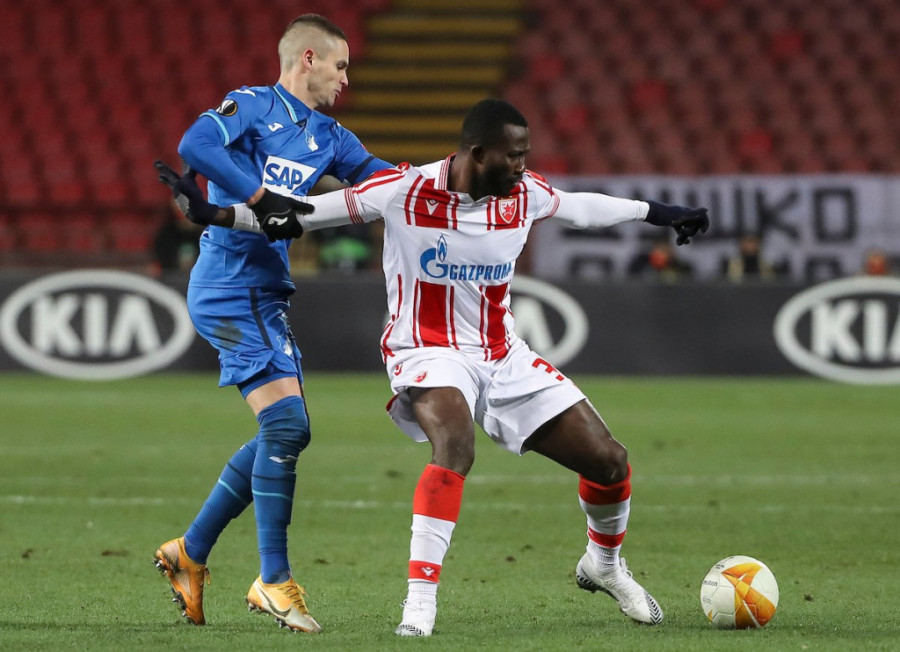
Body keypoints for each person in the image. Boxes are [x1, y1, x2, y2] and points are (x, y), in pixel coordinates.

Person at [159, 98, 709, 636]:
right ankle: (419, 604)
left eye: (525, 155)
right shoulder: (404, 190)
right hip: (425, 349)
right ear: (477, 153)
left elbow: (582, 207)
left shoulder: (524, 195)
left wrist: (658, 213)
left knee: (610, 462)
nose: (522, 166)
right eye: (513, 155)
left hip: (501, 353)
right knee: (455, 444)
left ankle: (604, 565)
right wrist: (217, 215)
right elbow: (304, 216)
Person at [151, 14, 393, 633]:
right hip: (227, 286)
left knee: (286, 431)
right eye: (340, 65)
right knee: (286, 425)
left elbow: (381, 177)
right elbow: (195, 145)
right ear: (308, 58)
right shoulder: (254, 106)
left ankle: (189, 553)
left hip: (266, 295)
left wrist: (448, 183)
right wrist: (260, 199)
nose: (346, 78)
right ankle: (273, 579)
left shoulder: (330, 136)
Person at [627, 234, 693, 281]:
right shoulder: (641, 263)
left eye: (666, 250)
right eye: (660, 250)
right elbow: (632, 278)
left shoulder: (681, 267)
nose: (663, 255)